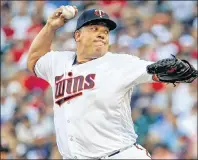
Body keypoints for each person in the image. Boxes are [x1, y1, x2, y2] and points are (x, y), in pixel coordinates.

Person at [27, 5, 197, 159]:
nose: (102, 33)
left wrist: (170, 71)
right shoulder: (59, 62)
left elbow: (152, 71)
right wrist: (50, 27)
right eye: (94, 28)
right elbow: (34, 60)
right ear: (77, 35)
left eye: (106, 31)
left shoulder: (120, 63)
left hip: (119, 154)